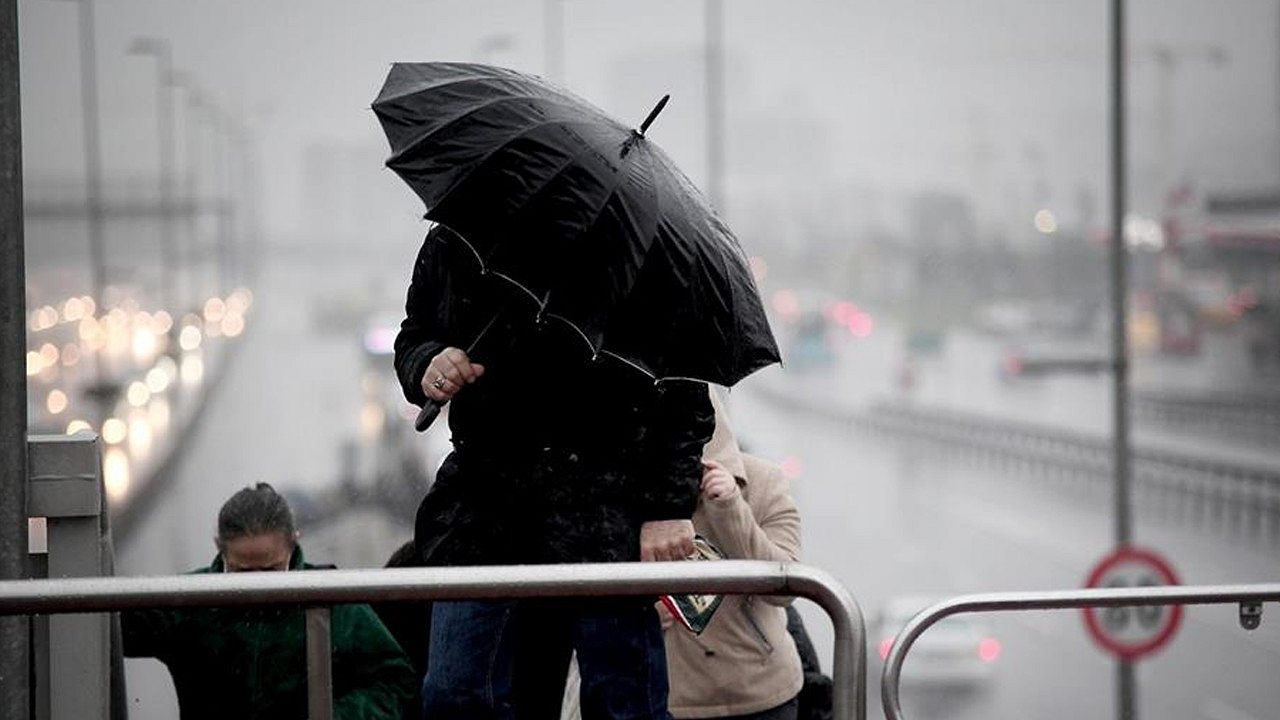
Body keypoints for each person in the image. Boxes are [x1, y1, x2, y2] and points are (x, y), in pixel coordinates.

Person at [394, 224, 714, 718]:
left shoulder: (641, 247)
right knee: (455, 695)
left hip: (604, 511)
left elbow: (684, 392)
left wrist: (667, 509)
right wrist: (428, 363)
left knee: (623, 701)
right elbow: (416, 334)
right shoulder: (460, 237)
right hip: (486, 506)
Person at [560, 390, 806, 720]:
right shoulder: (607, 488)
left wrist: (730, 508)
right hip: (659, 696)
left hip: (756, 691)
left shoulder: (762, 481)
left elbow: (784, 586)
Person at [121, 483, 416, 720]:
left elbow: (395, 680)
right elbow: (101, 630)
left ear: (295, 543)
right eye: (243, 572)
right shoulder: (189, 603)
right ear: (219, 549)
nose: (257, 587)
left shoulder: (334, 602)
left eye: (270, 571)